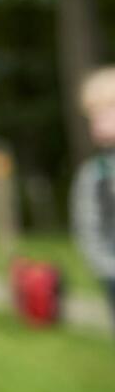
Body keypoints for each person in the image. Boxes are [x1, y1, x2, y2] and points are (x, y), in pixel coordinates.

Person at [69, 66, 115, 336]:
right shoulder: (96, 173)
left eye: (107, 110)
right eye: (93, 115)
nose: (98, 120)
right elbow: (87, 227)